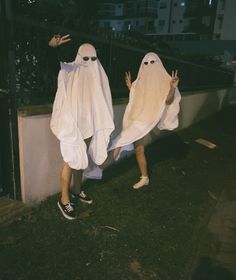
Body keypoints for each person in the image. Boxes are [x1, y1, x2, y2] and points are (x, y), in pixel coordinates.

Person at [50, 42, 114, 220]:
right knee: (69, 161)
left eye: (93, 58)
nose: (89, 62)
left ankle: (77, 190)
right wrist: (53, 48)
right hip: (72, 126)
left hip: (89, 125)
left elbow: (102, 99)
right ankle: (64, 200)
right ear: (78, 56)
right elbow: (55, 64)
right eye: (85, 58)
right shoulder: (71, 69)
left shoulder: (98, 73)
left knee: (82, 158)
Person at [101, 52, 181, 189]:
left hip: (145, 122)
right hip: (136, 120)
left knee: (118, 141)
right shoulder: (141, 81)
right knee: (139, 149)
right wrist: (130, 87)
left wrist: (172, 89)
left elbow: (167, 101)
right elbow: (137, 96)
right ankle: (145, 177)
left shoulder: (164, 82)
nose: (149, 66)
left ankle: (99, 168)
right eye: (146, 63)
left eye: (152, 63)